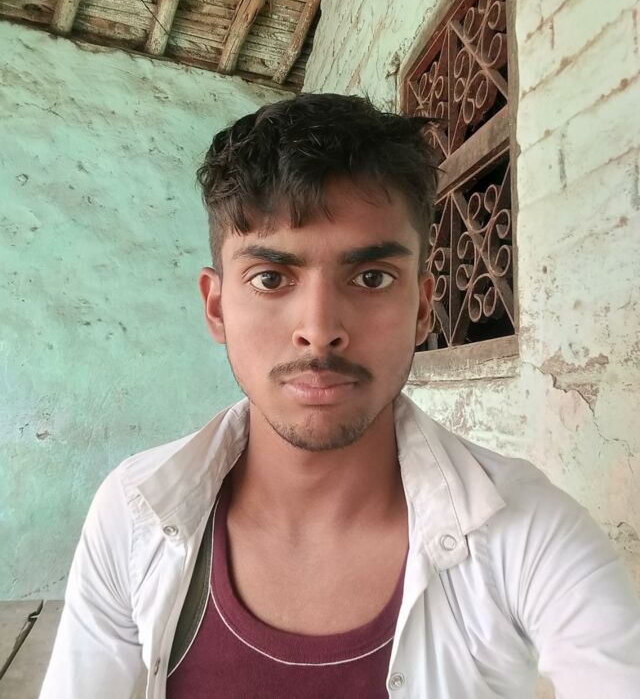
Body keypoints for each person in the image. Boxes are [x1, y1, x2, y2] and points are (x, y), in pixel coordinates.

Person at [40, 94, 640, 699]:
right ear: (216, 307)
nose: (320, 327)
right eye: (270, 278)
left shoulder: (526, 530)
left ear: (422, 307)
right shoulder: (136, 513)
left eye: (372, 278)